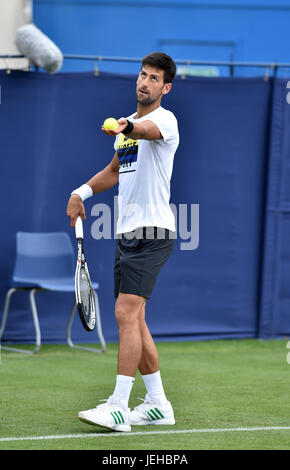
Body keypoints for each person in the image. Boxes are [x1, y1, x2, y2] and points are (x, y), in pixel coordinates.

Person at [66, 52, 179, 432]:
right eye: (142, 75)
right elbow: (113, 171)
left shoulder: (163, 121)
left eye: (154, 78)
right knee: (136, 319)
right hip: (126, 234)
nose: (144, 82)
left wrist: (125, 125)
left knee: (124, 314)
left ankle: (118, 406)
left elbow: (142, 131)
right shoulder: (124, 132)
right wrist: (81, 192)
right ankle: (159, 404)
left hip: (153, 233)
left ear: (165, 88)